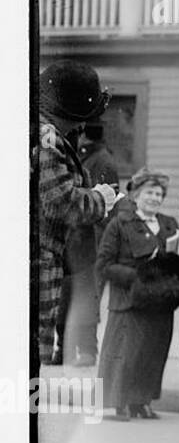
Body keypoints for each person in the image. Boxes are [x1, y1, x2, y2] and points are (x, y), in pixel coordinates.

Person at [35, 61, 119, 443]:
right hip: (37, 266)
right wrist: (100, 198)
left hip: (40, 263)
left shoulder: (40, 133)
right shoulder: (47, 141)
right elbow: (61, 202)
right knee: (25, 372)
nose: (82, 127)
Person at [97, 169, 179, 421]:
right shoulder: (120, 224)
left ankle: (142, 401)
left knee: (152, 354)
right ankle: (118, 403)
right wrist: (137, 276)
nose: (154, 198)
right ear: (136, 195)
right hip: (129, 302)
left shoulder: (170, 224)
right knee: (125, 355)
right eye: (149, 192)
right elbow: (104, 265)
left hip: (160, 302)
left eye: (159, 194)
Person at [55, 122, 119, 368]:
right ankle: (63, 349)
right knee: (66, 296)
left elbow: (107, 207)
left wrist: (101, 243)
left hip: (91, 241)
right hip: (72, 239)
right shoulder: (78, 157)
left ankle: (88, 350)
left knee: (87, 298)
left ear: (84, 136)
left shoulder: (103, 161)